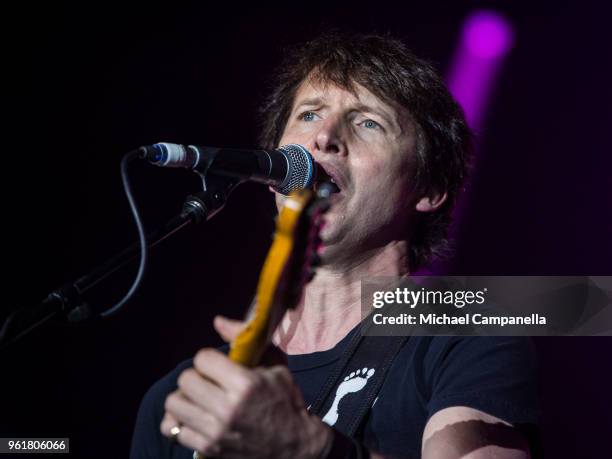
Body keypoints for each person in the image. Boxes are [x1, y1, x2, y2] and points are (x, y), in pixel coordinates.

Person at [130, 33, 539, 459]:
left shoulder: (470, 333)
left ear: (428, 187)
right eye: (308, 115)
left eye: (368, 123)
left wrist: (305, 447)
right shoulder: (183, 399)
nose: (324, 137)